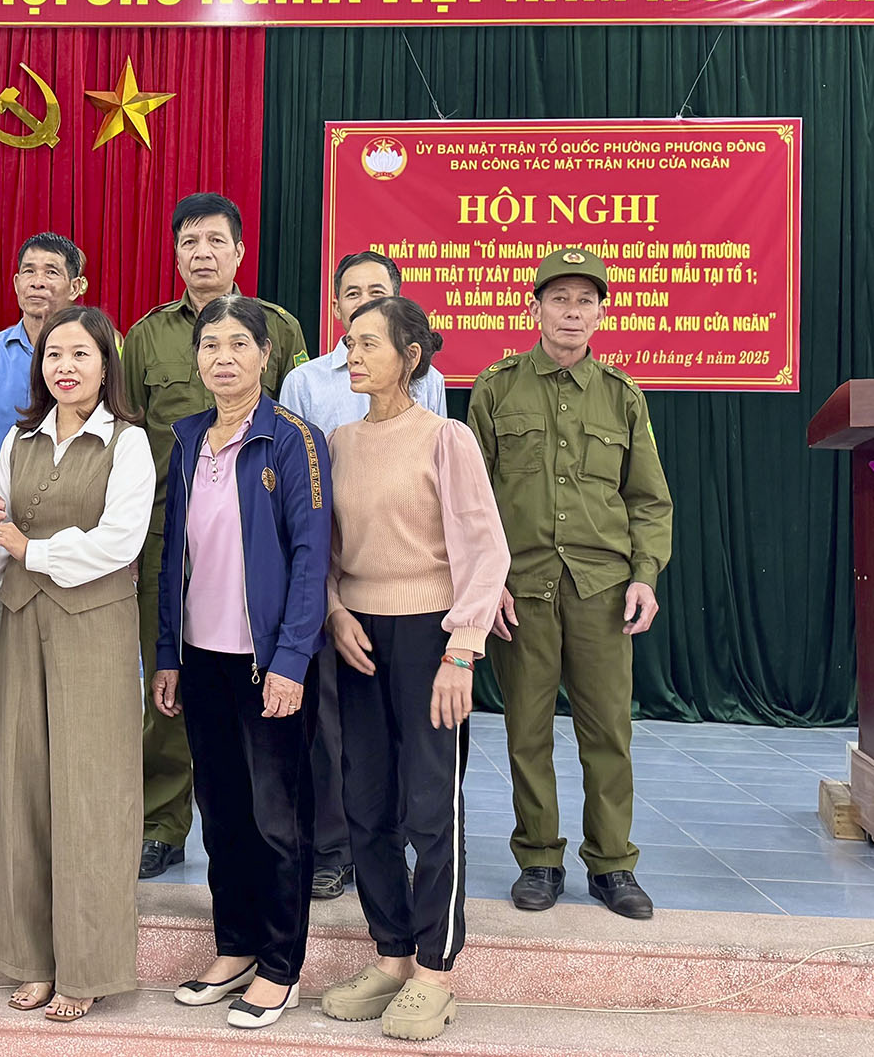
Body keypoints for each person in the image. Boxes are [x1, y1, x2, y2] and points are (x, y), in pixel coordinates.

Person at [317, 296, 509, 1043]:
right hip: (358, 638)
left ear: (411, 356)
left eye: (370, 343)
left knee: (431, 807)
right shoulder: (338, 443)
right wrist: (335, 612)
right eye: (350, 342)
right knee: (366, 805)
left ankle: (435, 968)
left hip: (432, 637)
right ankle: (391, 954)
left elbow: (485, 549)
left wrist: (463, 649)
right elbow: (324, 551)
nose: (353, 354)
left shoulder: (446, 438)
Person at [467, 247, 673, 921]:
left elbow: (649, 501)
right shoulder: (496, 389)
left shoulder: (622, 396)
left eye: (586, 300)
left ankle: (613, 864)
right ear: (535, 308)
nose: (572, 311)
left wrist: (645, 575)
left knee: (607, 731)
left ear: (602, 314)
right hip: (521, 588)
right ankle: (539, 859)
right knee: (526, 731)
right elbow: (473, 499)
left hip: (602, 590)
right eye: (559, 298)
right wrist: (488, 580)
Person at [151, 295, 330, 1030]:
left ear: (265, 354)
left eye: (238, 344)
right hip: (202, 658)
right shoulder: (188, 437)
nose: (223, 358)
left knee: (277, 818)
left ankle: (281, 967)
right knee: (221, 812)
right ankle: (236, 947)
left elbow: (312, 557)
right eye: (210, 345)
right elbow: (174, 554)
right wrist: (168, 653)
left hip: (268, 662)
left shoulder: (293, 439)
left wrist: (292, 660)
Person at [123, 192, 309, 880]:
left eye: (215, 242)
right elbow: (128, 436)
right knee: (171, 683)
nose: (202, 254)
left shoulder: (278, 326)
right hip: (171, 540)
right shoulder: (145, 336)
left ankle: (267, 827)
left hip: (261, 539)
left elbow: (298, 425)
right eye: (189, 243)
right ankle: (163, 823)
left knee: (260, 689)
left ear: (239, 251)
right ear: (175, 254)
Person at [0, 305, 153, 1023]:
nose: (65, 367)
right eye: (53, 355)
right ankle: (30, 960)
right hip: (21, 620)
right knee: (21, 787)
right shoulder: (19, 438)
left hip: (95, 627)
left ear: (106, 365)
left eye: (81, 354)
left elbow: (121, 541)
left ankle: (87, 968)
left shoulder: (129, 442)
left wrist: (31, 549)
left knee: (91, 794)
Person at [277, 250, 446, 902]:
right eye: (353, 293)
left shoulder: (427, 383)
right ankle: (334, 847)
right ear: (335, 307)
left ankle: (401, 844)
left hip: (410, 585)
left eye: (379, 291)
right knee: (330, 723)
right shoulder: (306, 382)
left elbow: (436, 477)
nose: (365, 301)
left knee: (405, 731)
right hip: (331, 574)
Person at [0, 232, 88, 874]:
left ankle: (65, 826)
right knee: (1, 698)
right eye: (27, 270)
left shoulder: (97, 349)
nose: (37, 280)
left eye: (51, 271)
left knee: (70, 695)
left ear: (76, 286)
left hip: (71, 548)